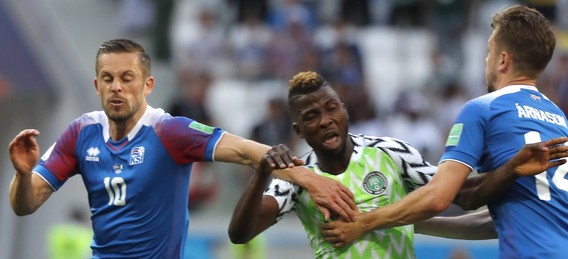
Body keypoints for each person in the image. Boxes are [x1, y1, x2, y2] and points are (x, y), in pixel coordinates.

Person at [8, 39, 358, 258]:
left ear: (147, 85)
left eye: (127, 78)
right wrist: (23, 175)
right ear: (96, 85)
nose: (117, 87)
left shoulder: (169, 131)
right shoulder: (80, 133)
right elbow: (24, 205)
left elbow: (247, 152)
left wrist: (312, 180)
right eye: (108, 79)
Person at [319, 6, 568, 258]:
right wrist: (406, 222)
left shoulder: (483, 109)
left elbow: (438, 196)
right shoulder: (559, 119)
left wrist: (364, 222)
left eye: (489, 50)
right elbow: (500, 220)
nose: (486, 60)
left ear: (503, 59)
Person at [228, 71, 568, 258]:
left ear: (344, 109)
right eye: (312, 116)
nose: (326, 120)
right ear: (298, 130)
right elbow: (240, 234)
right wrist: (261, 171)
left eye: (332, 108)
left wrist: (512, 167)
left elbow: (463, 194)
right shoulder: (297, 177)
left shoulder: (390, 153)